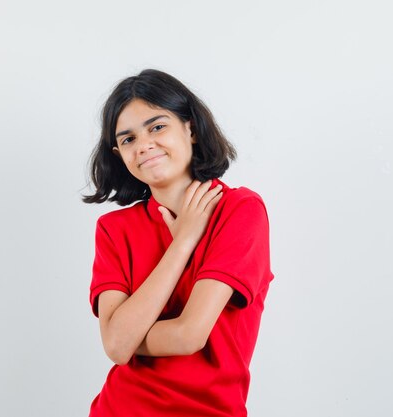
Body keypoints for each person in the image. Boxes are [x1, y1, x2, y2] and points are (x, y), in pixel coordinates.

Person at [83, 69, 274, 417]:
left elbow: (189, 335)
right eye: (127, 139)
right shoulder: (113, 229)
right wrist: (183, 242)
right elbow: (114, 346)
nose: (143, 145)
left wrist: (127, 334)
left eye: (157, 127)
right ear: (119, 154)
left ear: (191, 129)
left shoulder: (240, 211)